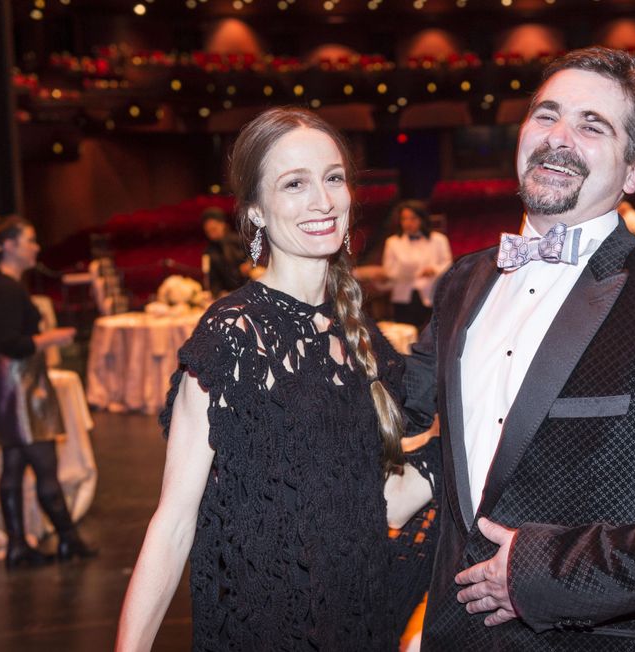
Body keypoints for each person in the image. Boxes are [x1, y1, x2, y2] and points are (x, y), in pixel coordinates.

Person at [403, 47, 635, 650]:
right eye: (546, 115)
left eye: (591, 125)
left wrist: (540, 573)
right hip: (455, 634)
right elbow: (399, 406)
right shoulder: (462, 282)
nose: (559, 138)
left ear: (633, 171)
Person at [116, 107, 438, 651]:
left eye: (333, 178)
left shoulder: (361, 336)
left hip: (355, 623)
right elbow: (173, 525)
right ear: (256, 212)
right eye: (294, 184)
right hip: (266, 628)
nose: (323, 200)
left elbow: (361, 500)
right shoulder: (233, 334)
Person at [0, 215, 97, 568]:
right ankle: (67, 538)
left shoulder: (2, 285)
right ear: (11, 246)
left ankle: (19, 545)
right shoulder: (5, 288)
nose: (36, 247)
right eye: (30, 240)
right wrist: (53, 337)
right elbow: (7, 342)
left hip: (12, 382)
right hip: (19, 384)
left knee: (14, 463)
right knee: (43, 462)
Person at [382, 200, 452, 329]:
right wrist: (404, 271)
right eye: (404, 219)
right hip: (404, 296)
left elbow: (448, 264)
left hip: (431, 293)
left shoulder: (439, 239)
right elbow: (388, 271)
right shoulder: (392, 242)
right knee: (406, 335)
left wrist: (435, 270)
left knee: (431, 333)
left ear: (422, 219)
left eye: (413, 218)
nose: (408, 223)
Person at [200, 206, 249, 296]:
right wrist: (218, 292)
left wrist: (249, 266)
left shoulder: (239, 241)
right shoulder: (209, 252)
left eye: (214, 229)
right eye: (208, 232)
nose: (212, 234)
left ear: (222, 224)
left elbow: (256, 259)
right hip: (228, 294)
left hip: (248, 288)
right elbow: (213, 279)